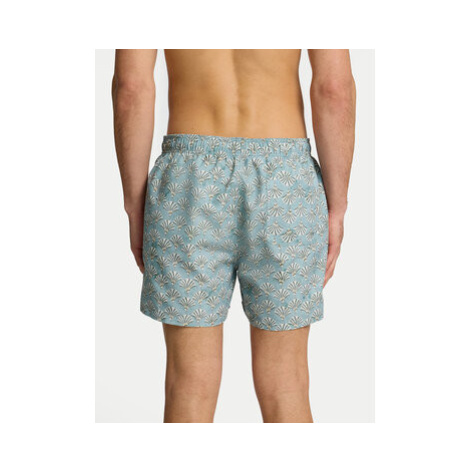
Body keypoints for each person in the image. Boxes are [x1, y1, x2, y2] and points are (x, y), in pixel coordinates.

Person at [112, 49, 355, 423]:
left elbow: (131, 88)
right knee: (287, 385)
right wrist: (336, 208)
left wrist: (134, 203)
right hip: (285, 183)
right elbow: (334, 89)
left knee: (188, 386)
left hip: (188, 182)